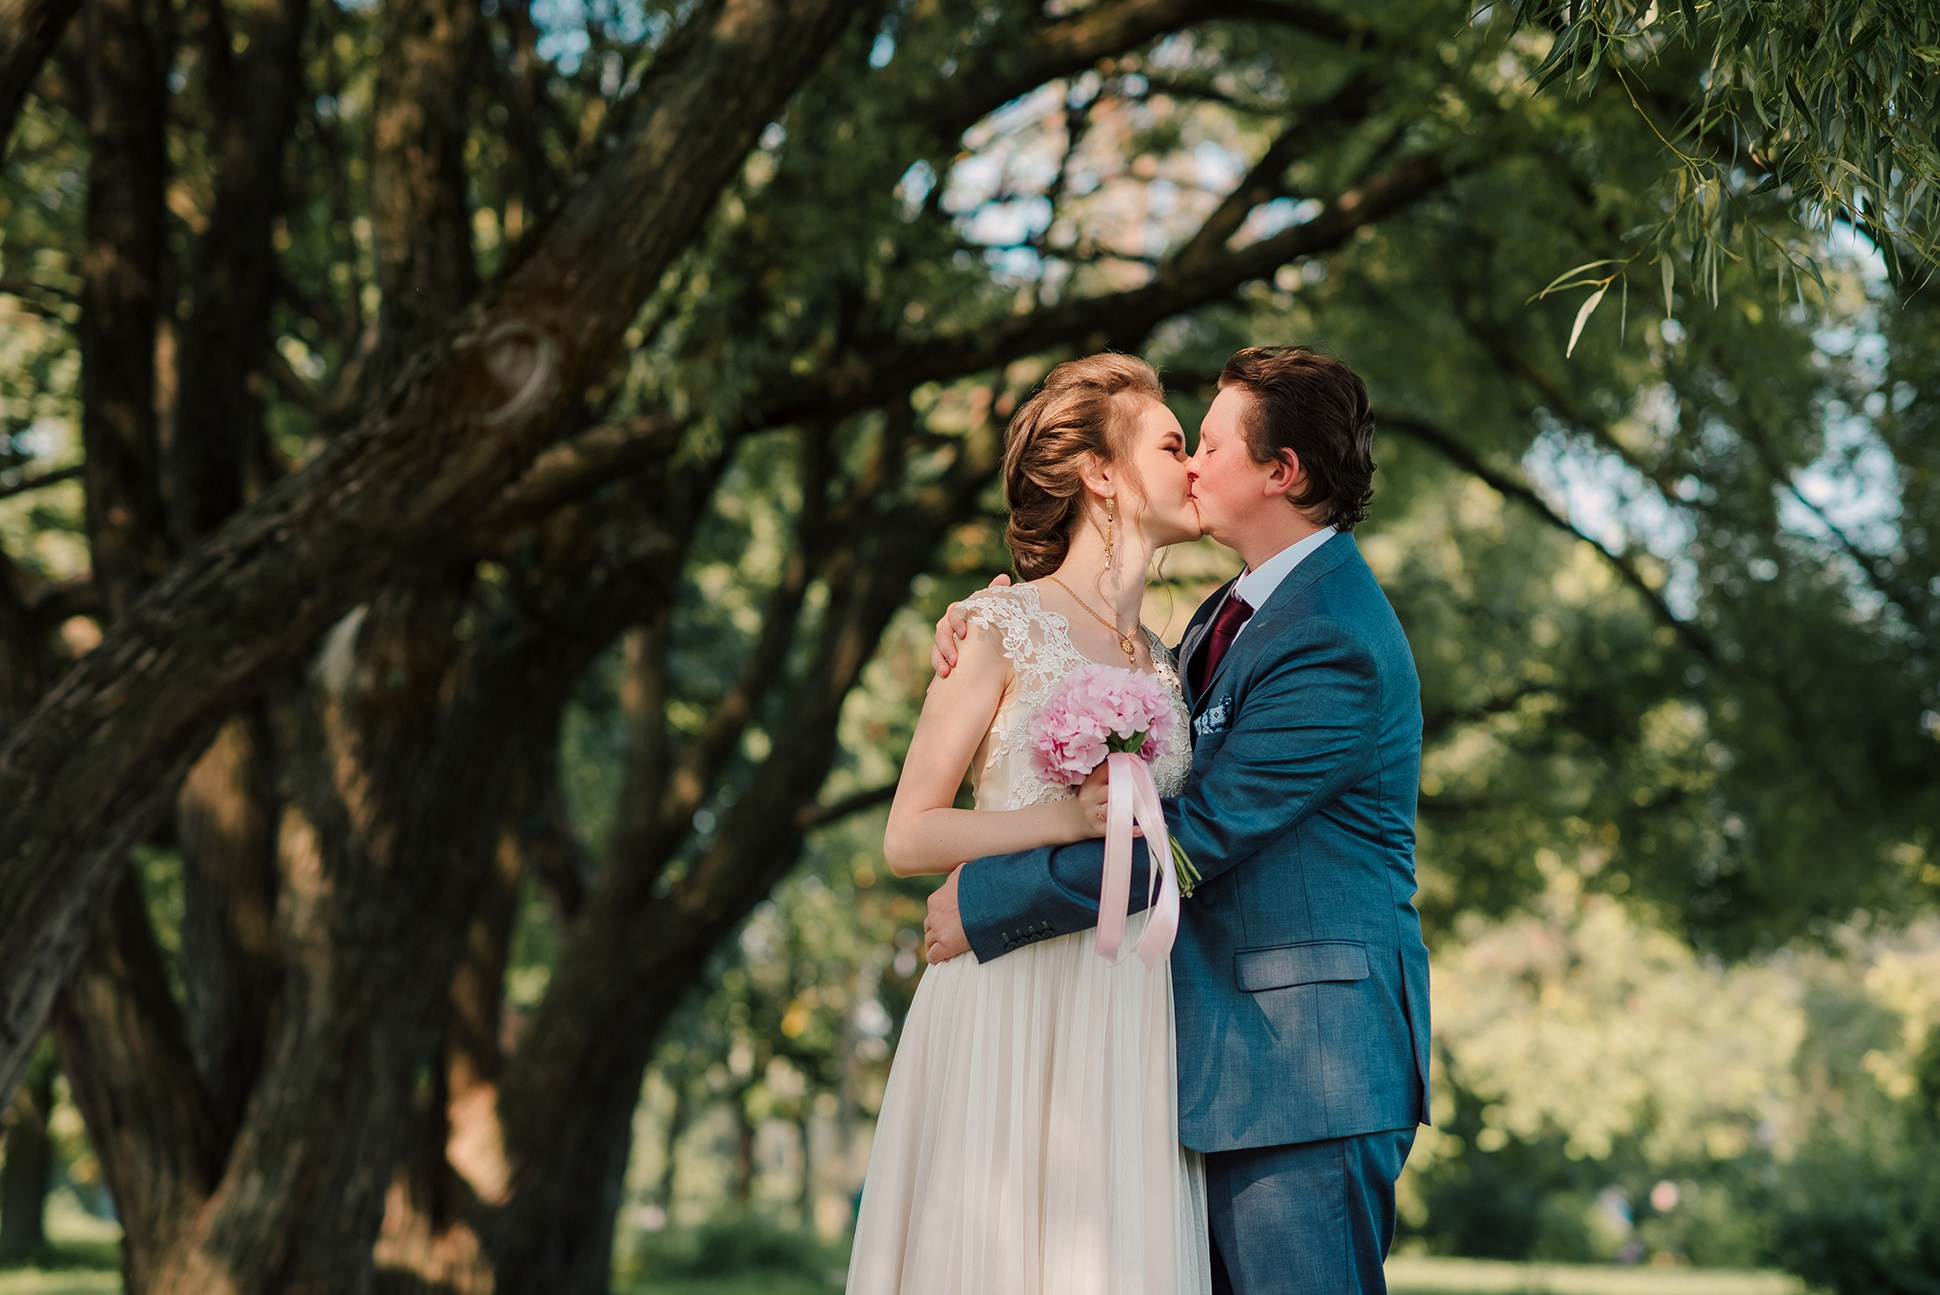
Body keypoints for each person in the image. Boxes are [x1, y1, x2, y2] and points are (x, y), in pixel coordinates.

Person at [925, 346, 1431, 1295]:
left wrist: (991, 899)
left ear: (1282, 472)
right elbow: (1101, 694)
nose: (1192, 464)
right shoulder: (1222, 618)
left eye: (1208, 442)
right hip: (1210, 1064)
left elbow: (1191, 840)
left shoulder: (1334, 639)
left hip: (1303, 1074)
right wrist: (994, 616)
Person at [845, 353, 1213, 1295]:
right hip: (1011, 991)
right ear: (1100, 472)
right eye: (1173, 445)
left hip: (1129, 1005)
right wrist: (1064, 817)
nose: (1195, 466)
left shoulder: (1175, 660)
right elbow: (907, 835)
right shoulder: (998, 627)